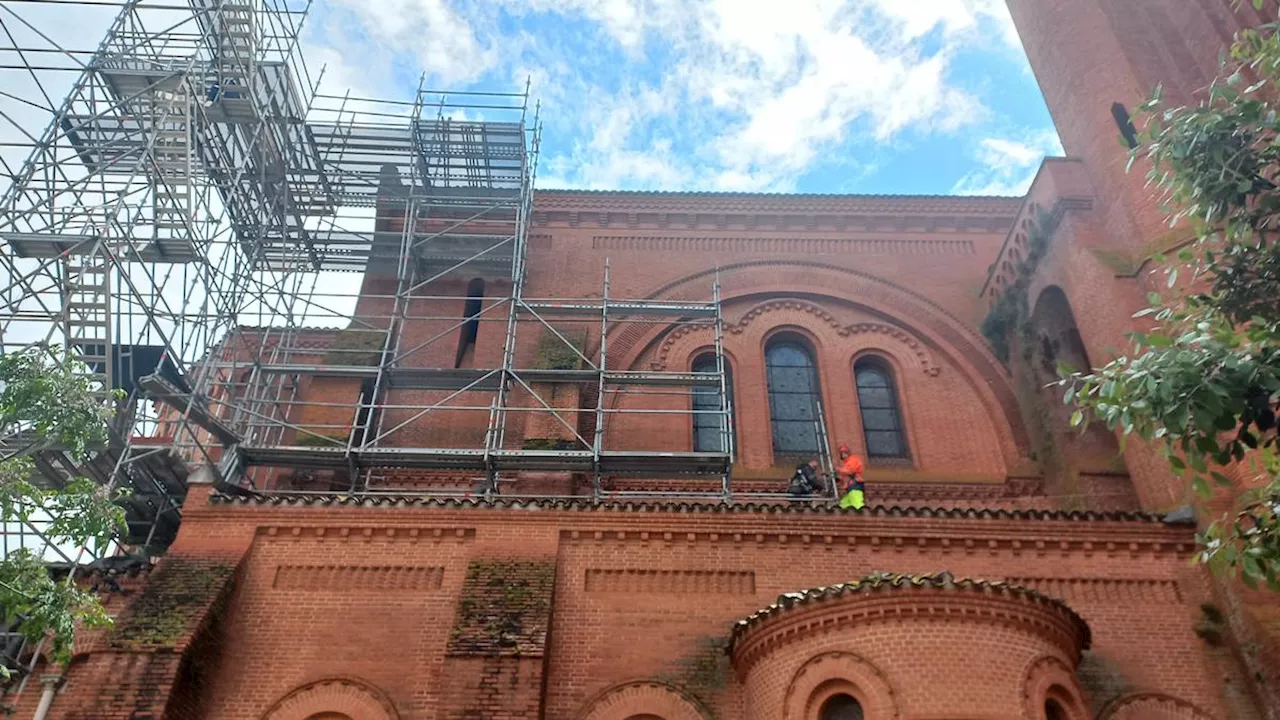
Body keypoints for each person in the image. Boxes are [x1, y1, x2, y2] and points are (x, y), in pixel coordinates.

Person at [835, 443, 866, 509]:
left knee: (857, 503)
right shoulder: (846, 464)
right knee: (843, 504)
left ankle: (863, 516)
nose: (843, 455)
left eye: (844, 453)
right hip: (850, 487)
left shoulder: (853, 460)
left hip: (855, 486)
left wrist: (838, 469)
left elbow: (850, 471)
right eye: (842, 453)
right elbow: (843, 476)